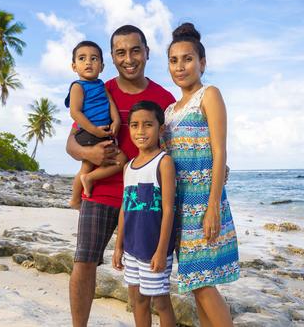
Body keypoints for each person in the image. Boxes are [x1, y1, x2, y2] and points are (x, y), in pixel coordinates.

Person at [66, 25, 176, 327]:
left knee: (147, 281)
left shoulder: (164, 98)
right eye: (121, 52)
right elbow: (72, 143)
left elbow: (173, 149)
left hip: (144, 201)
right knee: (84, 262)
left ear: (147, 53)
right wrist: (92, 155)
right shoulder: (99, 89)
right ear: (112, 58)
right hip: (100, 192)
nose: (129, 58)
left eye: (135, 50)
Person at [163, 22, 240, 327]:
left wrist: (212, 208)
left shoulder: (209, 95)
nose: (180, 67)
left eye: (187, 59)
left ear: (202, 63)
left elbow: (220, 152)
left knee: (205, 285)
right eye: (173, 60)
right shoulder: (169, 110)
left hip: (204, 204)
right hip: (181, 209)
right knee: (196, 286)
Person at [112, 100, 177, 327]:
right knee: (137, 299)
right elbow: (124, 208)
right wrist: (119, 245)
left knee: (161, 302)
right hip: (131, 247)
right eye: (134, 125)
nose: (140, 131)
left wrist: (161, 251)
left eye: (147, 125)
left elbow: (169, 210)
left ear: (160, 129)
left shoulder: (164, 162)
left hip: (153, 250)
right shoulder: (128, 167)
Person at [65, 40, 126, 209]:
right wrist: (94, 130)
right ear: (74, 66)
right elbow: (75, 113)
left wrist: (116, 120)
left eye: (94, 59)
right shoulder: (78, 87)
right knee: (112, 160)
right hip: (89, 132)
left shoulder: (101, 85)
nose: (88, 62)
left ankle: (86, 182)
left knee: (98, 163)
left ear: (102, 66)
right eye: (82, 58)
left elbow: (110, 103)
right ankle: (76, 197)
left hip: (103, 131)